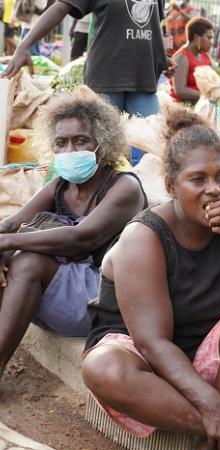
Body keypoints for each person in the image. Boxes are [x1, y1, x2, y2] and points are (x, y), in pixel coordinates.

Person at [81, 106, 220, 449]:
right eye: (198, 179)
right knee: (104, 368)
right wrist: (212, 408)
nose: (214, 189)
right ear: (172, 186)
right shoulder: (145, 237)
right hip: (146, 362)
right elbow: (152, 342)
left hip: (214, 359)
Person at [0, 89, 148, 379]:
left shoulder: (124, 187)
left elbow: (82, 238)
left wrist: (6, 243)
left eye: (80, 140)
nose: (69, 151)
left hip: (104, 299)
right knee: (9, 257)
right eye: (61, 143)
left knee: (28, 260)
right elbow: (11, 224)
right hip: (57, 296)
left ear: (101, 143)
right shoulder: (60, 185)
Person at [2, 0, 176, 123]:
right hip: (106, 79)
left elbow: (151, 27)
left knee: (151, 148)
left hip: (142, 80)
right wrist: (24, 45)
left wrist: (161, 57)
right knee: (107, 154)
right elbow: (59, 8)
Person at [168, 17, 214, 104]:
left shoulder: (205, 55)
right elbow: (180, 90)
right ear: (197, 37)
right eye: (209, 38)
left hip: (201, 102)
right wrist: (207, 96)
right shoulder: (182, 58)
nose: (211, 42)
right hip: (183, 106)